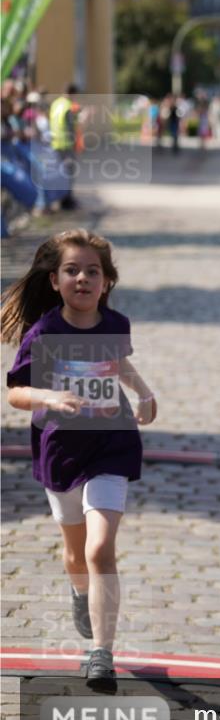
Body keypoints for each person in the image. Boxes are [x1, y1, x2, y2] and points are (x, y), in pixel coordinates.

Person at [2, 229, 157, 693]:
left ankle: (101, 653)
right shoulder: (44, 332)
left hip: (111, 443)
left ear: (106, 282)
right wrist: (50, 395)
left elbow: (118, 363)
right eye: (72, 270)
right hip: (61, 451)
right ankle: (79, 592)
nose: (83, 278)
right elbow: (16, 393)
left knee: (98, 548)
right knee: (74, 554)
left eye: (93, 271)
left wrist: (143, 391)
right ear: (54, 280)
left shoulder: (115, 324)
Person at [49, 83, 79, 210]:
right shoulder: (68, 106)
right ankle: (66, 201)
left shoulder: (55, 103)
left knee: (60, 173)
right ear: (72, 93)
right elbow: (70, 126)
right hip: (66, 144)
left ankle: (60, 198)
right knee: (68, 173)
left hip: (55, 143)